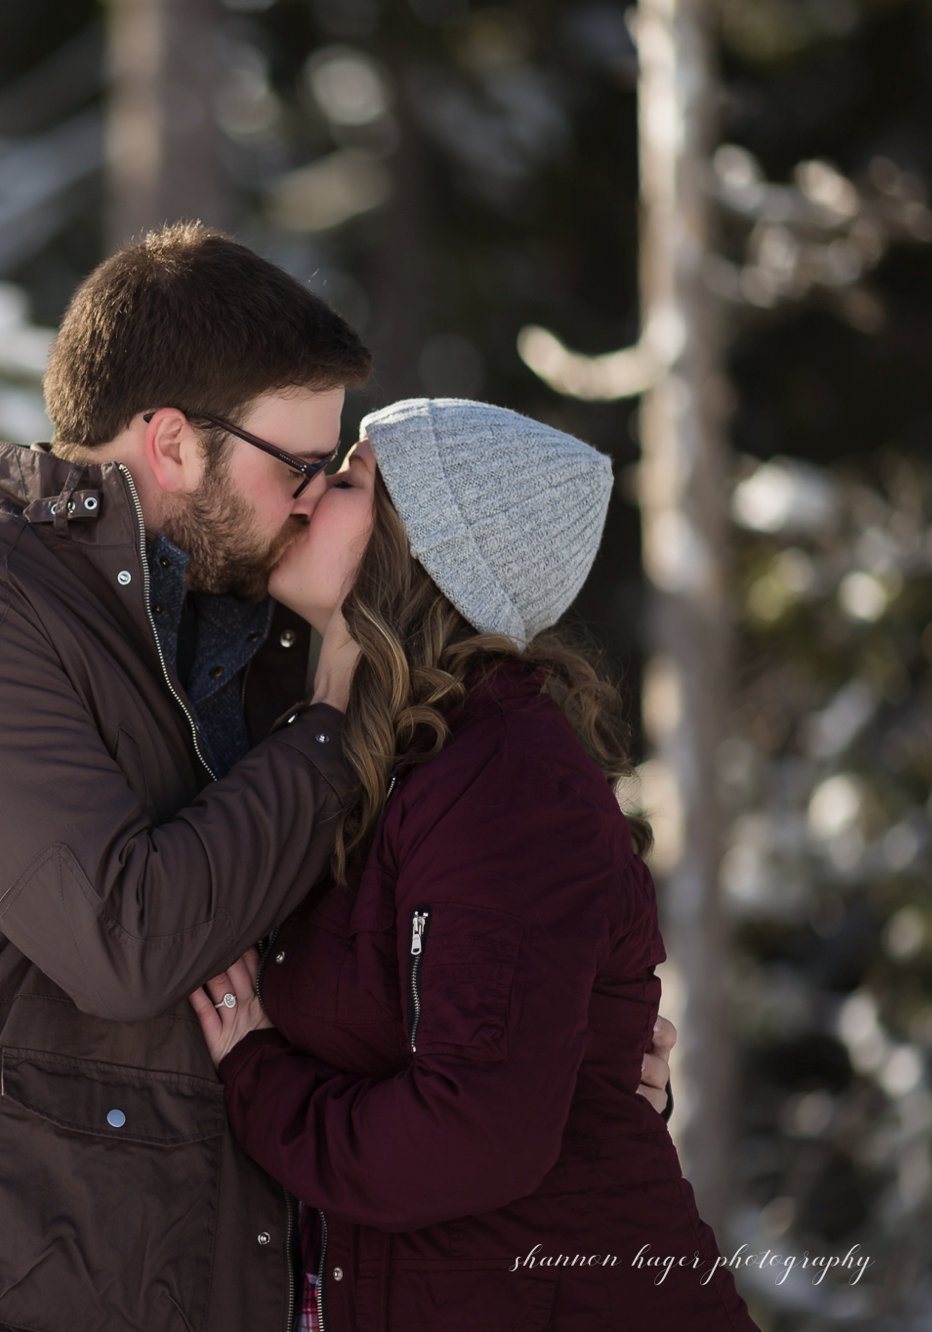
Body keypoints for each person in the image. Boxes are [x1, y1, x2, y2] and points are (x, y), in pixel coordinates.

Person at [0, 224, 674, 1332]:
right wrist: (322, 722)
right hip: (20, 1296)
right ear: (173, 444)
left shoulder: (257, 647)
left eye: (334, 476)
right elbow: (128, 941)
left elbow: (391, 991)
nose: (308, 498)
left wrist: (580, 1070)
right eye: (297, 467)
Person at [191, 398, 755, 1330]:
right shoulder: (393, 759)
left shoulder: (505, 783)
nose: (304, 496)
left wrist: (257, 1075)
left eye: (348, 481)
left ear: (425, 550)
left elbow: (473, 1134)